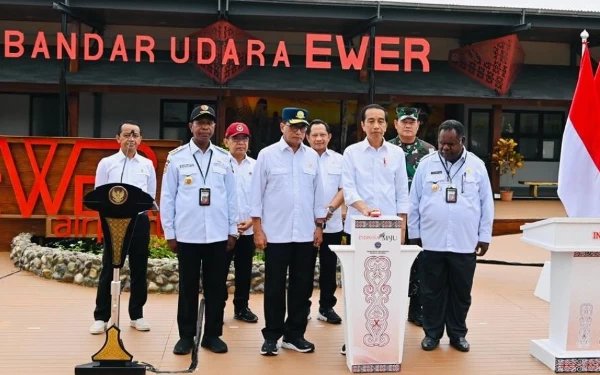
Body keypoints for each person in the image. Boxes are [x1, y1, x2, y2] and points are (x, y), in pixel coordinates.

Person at [408, 119, 494, 353]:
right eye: (441, 144)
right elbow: (413, 201)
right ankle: (432, 334)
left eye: (450, 144)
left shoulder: (477, 166)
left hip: (464, 243)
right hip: (431, 242)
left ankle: (457, 335)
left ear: (462, 141)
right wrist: (414, 233)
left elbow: (487, 204)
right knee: (431, 291)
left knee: (461, 293)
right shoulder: (426, 165)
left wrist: (484, 235)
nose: (444, 148)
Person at [160, 105, 239, 355]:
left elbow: (232, 198)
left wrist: (232, 231)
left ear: (215, 127)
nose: (205, 127)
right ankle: (186, 336)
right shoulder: (177, 157)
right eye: (200, 122)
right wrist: (170, 233)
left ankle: (212, 335)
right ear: (191, 126)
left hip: (217, 234)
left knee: (217, 288)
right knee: (188, 288)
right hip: (188, 234)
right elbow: (168, 197)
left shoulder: (224, 157)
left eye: (209, 123)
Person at [250, 107, 327, 356]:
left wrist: (319, 226)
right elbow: (256, 196)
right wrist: (258, 230)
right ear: (282, 126)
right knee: (273, 287)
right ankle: (272, 335)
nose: (299, 131)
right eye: (294, 126)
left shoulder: (312, 157)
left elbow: (319, 195)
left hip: (305, 233)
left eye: (302, 127)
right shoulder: (267, 155)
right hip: (276, 234)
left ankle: (295, 335)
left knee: (302, 287)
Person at [339, 104, 410, 355]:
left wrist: (402, 225)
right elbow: (347, 189)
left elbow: (402, 191)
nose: (376, 125)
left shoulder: (396, 154)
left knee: (387, 284)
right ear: (362, 125)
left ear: (387, 124)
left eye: (380, 121)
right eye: (371, 121)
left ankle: (384, 336)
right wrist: (365, 209)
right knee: (359, 285)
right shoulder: (351, 153)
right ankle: (354, 338)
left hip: (389, 230)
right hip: (361, 227)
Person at [90, 121, 156, 335]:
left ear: (141, 140)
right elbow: (99, 194)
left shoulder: (146, 165)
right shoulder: (107, 163)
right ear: (117, 138)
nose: (131, 138)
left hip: (138, 221)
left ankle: (137, 315)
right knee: (109, 266)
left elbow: (150, 196)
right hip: (113, 222)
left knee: (139, 267)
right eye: (127, 134)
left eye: (135, 135)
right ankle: (101, 316)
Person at [388, 106, 435, 327]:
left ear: (418, 125)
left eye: (412, 122)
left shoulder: (430, 152)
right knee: (391, 264)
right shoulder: (385, 149)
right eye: (403, 121)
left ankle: (417, 310)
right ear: (396, 124)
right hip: (391, 217)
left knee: (419, 264)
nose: (408, 125)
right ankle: (389, 309)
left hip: (419, 219)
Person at [306, 119, 344, 324]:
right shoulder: (301, 158)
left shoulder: (339, 160)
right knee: (304, 267)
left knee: (329, 268)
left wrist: (330, 209)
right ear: (307, 137)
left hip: (333, 222)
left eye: (323, 135)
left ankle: (326, 307)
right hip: (306, 224)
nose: (319, 138)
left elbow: (344, 188)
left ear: (329, 137)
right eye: (314, 135)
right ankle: (302, 307)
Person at [223, 122, 259, 323]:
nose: (240, 143)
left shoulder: (256, 165)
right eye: (235, 139)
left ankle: (242, 307)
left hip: (247, 228)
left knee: (244, 271)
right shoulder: (220, 164)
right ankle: (217, 307)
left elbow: (262, 197)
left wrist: (252, 222)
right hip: (224, 229)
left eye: (244, 138)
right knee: (219, 270)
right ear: (226, 141)